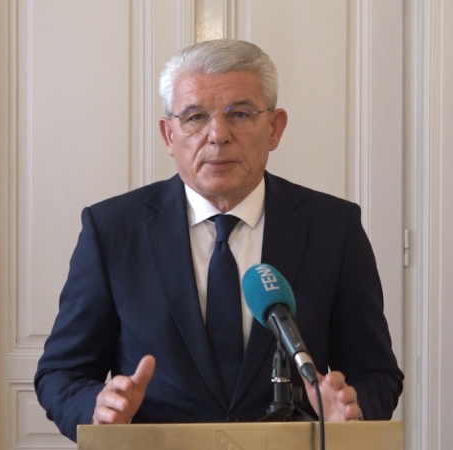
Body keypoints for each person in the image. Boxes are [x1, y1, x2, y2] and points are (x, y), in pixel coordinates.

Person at [34, 39, 403, 442]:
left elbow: (377, 374)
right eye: (195, 117)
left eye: (239, 114)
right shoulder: (112, 230)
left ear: (275, 128)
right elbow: (61, 373)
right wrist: (97, 409)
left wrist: (351, 412)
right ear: (168, 135)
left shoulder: (333, 228)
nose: (217, 135)